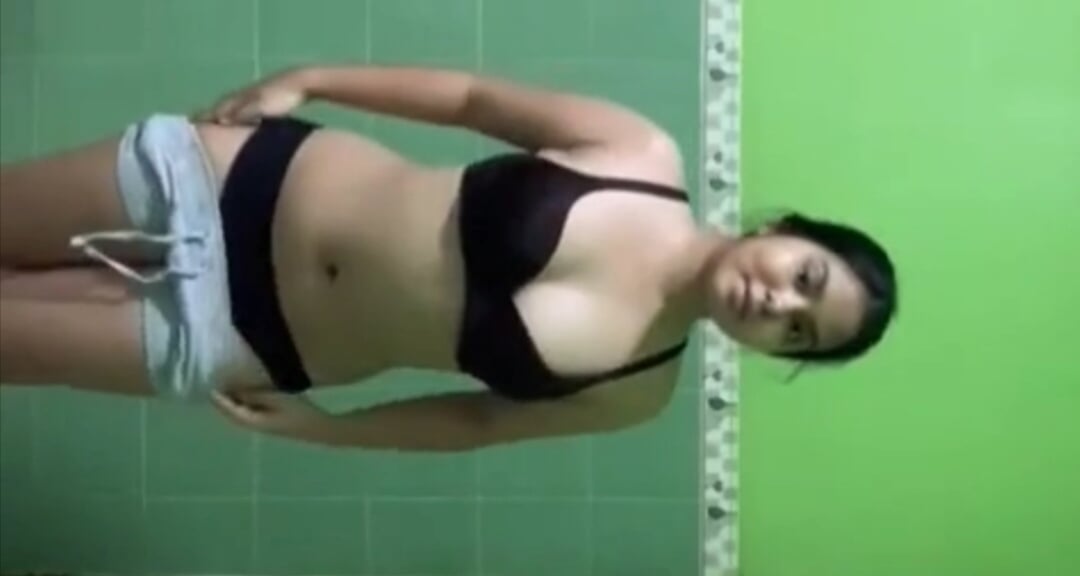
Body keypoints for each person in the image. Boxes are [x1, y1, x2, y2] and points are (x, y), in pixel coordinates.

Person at [0, 65, 898, 451]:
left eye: (798, 332)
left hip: (246, 337)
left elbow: (478, 424)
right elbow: (473, 99)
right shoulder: (642, 156)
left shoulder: (637, 389)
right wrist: (311, 78)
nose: (778, 304)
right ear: (787, 230)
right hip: (233, 181)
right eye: (805, 278)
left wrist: (328, 430)